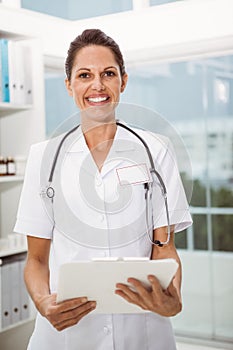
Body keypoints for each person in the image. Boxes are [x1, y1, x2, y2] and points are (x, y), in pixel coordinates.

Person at [14, 29, 192, 350]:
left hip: (143, 329)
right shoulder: (45, 157)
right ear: (69, 85)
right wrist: (44, 303)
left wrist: (173, 299)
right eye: (85, 75)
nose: (97, 85)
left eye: (108, 74)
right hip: (68, 332)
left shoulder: (156, 149)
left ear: (123, 81)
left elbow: (164, 248)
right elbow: (36, 260)